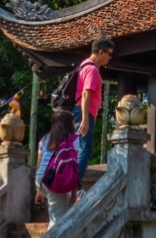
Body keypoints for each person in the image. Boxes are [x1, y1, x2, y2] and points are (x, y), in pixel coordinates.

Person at [37, 37, 112, 226]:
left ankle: (74, 183)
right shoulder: (93, 69)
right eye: (109, 54)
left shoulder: (83, 66)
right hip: (82, 112)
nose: (109, 59)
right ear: (101, 52)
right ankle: (75, 184)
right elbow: (86, 93)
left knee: (78, 147)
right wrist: (86, 118)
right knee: (84, 149)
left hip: (79, 111)